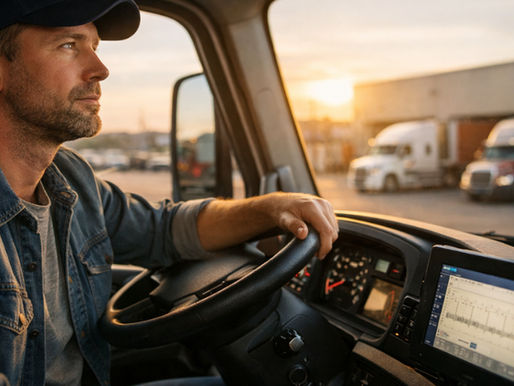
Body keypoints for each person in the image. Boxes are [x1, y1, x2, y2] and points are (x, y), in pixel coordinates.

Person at [0, 1, 338, 385]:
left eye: (95, 46)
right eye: (68, 45)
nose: (101, 69)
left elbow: (163, 229)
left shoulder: (71, 180)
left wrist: (274, 207)